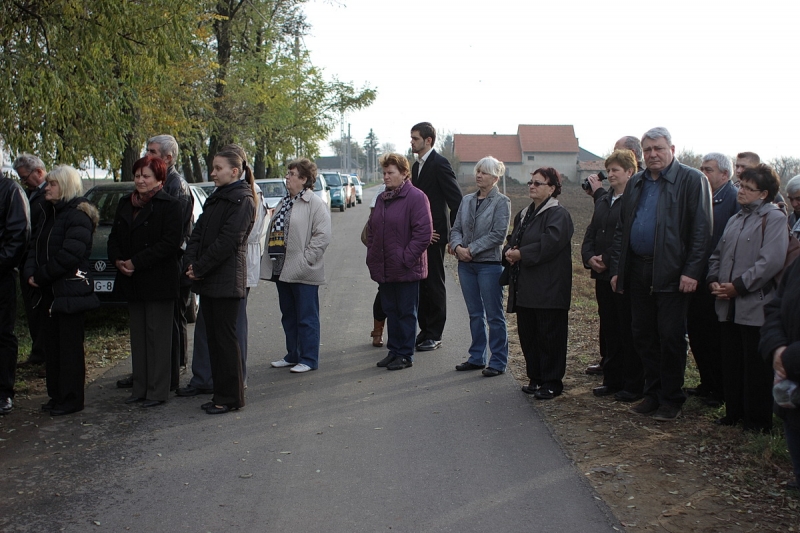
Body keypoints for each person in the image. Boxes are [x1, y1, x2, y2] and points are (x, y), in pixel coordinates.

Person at [609, 127, 712, 421]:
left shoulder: (692, 180)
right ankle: (652, 393)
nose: (653, 154)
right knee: (642, 334)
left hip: (672, 271)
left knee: (670, 336)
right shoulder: (637, 182)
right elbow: (623, 228)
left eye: (659, 148)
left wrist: (692, 271)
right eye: (648, 149)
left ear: (672, 149)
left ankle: (671, 398)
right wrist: (619, 269)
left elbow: (702, 231)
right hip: (637, 268)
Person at [176, 146, 268, 396]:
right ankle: (209, 382)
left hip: (229, 273)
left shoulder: (246, 197)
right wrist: (191, 262)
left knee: (230, 334)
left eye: (218, 168)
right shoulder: (218, 195)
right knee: (211, 332)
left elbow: (230, 240)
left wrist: (201, 265)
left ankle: (232, 388)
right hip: (210, 273)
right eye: (212, 167)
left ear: (235, 170)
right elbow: (199, 231)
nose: (213, 173)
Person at [707, 164, 788, 432]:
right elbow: (718, 253)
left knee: (755, 367)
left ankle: (757, 421)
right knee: (730, 361)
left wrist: (738, 287)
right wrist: (714, 280)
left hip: (755, 305)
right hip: (726, 305)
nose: (740, 191)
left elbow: (770, 262)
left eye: (747, 188)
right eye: (740, 185)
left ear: (764, 193)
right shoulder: (736, 218)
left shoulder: (774, 219)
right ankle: (733, 413)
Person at [23, 165, 100, 416]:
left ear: (65, 186)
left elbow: (71, 255)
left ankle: (71, 398)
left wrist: (42, 275)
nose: (47, 188)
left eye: (52, 184)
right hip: (49, 292)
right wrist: (31, 272)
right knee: (52, 347)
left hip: (69, 291)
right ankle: (56, 395)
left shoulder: (78, 215)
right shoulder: (47, 212)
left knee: (69, 349)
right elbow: (35, 245)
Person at [107, 155, 183, 408]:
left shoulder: (170, 205)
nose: (140, 180)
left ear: (159, 179)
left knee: (158, 338)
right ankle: (140, 388)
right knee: (138, 338)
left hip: (158, 280)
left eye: (146, 176)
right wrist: (118, 260)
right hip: (132, 280)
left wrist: (136, 262)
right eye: (137, 175)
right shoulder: (124, 203)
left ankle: (157, 391)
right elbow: (114, 237)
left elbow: (170, 243)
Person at [505, 168, 573, 399]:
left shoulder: (558, 215)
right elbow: (513, 239)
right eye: (530, 182)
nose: (532, 186)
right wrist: (509, 250)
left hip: (549, 288)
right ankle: (535, 378)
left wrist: (521, 254)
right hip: (525, 287)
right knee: (529, 335)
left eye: (538, 183)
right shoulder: (525, 213)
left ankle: (552, 382)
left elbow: (549, 244)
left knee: (549, 336)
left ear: (552, 188)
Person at [581, 149, 642, 401]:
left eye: (616, 170)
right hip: (601, 277)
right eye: (610, 170)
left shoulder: (634, 201)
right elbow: (592, 233)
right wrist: (589, 258)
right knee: (609, 328)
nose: (611, 174)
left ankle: (632, 383)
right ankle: (612, 379)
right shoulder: (604, 200)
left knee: (626, 328)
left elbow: (625, 236)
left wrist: (608, 260)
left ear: (630, 172)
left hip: (622, 274)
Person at [367, 153, 433, 371]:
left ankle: (405, 354)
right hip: (385, 266)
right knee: (391, 310)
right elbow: (372, 230)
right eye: (384, 173)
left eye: (390, 173)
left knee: (405, 312)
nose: (386, 177)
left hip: (406, 267)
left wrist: (406, 258)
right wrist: (374, 254)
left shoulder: (416, 197)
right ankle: (394, 350)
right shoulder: (382, 198)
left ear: (404, 174)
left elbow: (423, 233)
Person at [266, 158, 331, 373]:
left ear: (304, 179)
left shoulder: (314, 203)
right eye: (287, 173)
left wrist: (306, 260)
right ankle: (293, 354)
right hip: (282, 268)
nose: (287, 177)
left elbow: (322, 236)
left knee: (306, 316)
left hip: (302, 270)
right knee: (289, 314)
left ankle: (309, 358)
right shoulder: (284, 202)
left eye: (292, 174)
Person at [685, 153, 741, 406]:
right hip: (697, 276)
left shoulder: (732, 200)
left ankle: (720, 390)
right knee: (697, 333)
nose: (703, 173)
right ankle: (706, 383)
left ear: (725, 175)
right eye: (702, 168)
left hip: (720, 281)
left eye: (709, 169)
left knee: (716, 337)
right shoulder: (700, 196)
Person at [450, 156, 511, 377]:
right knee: (475, 313)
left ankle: (498, 361)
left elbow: (498, 235)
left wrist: (471, 249)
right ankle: (477, 357)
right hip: (466, 266)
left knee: (494, 315)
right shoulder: (466, 200)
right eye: (477, 171)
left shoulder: (501, 202)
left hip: (489, 266)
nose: (478, 175)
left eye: (484, 172)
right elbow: (455, 228)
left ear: (495, 178)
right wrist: (457, 247)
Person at [410, 122, 462, 351]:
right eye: (411, 138)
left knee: (434, 283)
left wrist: (454, 236)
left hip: (435, 235)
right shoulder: (415, 166)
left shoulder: (440, 164)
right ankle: (425, 330)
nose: (411, 142)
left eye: (415, 138)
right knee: (420, 284)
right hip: (418, 235)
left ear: (428, 140)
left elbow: (456, 201)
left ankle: (436, 334)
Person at [760, 252, 800, 492]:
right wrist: (776, 347)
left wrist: (788, 357)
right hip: (792, 380)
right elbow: (775, 308)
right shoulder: (797, 266)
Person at [12, 154, 48, 369]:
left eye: (25, 177)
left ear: (38, 172)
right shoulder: (30, 193)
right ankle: (38, 352)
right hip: (27, 260)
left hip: (39, 261)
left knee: (41, 311)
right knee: (33, 311)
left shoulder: (48, 194)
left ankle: (44, 355)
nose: (24, 182)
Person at [0, 175, 30, 415]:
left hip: (2, 275)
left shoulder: (10, 191)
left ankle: (4, 392)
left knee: (2, 333)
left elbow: (18, 235)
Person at [366, 184, 387, 348]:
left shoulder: (412, 192)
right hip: (382, 249)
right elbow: (372, 218)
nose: (387, 176)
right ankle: (377, 331)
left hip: (401, 250)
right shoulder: (381, 191)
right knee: (384, 292)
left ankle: (399, 337)